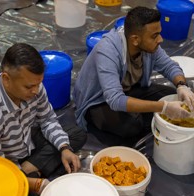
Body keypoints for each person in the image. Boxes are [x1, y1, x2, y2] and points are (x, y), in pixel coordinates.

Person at [73, 6, 194, 146]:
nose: (160, 39)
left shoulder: (149, 45)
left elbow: (169, 66)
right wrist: (164, 107)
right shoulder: (107, 51)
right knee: (132, 126)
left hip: (128, 90)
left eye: (159, 33)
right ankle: (120, 118)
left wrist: (182, 85)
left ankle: (140, 113)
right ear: (135, 39)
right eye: (155, 36)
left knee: (176, 96)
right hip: (99, 101)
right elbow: (115, 100)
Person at [0, 43, 87, 196]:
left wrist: (64, 148)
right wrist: (36, 184)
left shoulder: (35, 88)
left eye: (39, 84)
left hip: (29, 140)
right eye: (29, 86)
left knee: (76, 135)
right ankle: (29, 175)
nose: (36, 91)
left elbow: (48, 119)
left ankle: (29, 169)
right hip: (6, 161)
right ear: (6, 79)